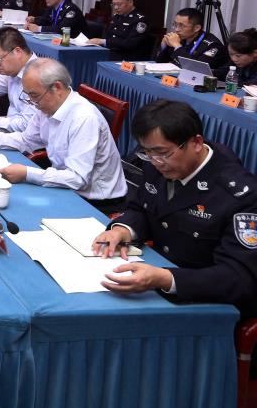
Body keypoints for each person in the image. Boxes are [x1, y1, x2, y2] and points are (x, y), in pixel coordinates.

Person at [92, 100, 257, 315]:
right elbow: (142, 208)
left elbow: (239, 277)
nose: (155, 162)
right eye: (147, 153)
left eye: (163, 153)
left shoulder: (240, 194)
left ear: (196, 143)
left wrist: (166, 278)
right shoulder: (159, 164)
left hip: (208, 301)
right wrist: (123, 230)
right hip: (156, 274)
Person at [0, 58, 128, 213]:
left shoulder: (84, 118)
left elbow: (77, 179)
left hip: (95, 201)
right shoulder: (46, 106)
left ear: (57, 87)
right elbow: (26, 140)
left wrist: (27, 173)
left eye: (34, 95)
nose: (32, 102)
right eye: (28, 95)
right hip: (64, 185)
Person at [154, 7, 228, 71]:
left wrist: (177, 46)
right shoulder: (181, 38)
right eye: (175, 24)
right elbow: (158, 61)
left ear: (196, 28)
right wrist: (163, 45)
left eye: (182, 26)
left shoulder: (213, 45)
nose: (176, 29)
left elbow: (196, 69)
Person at [87, 0, 152, 60]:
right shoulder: (116, 17)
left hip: (126, 58)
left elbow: (130, 44)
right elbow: (106, 35)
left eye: (119, 4)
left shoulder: (140, 20)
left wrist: (103, 41)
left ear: (130, 2)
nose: (116, 7)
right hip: (110, 53)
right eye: (114, 4)